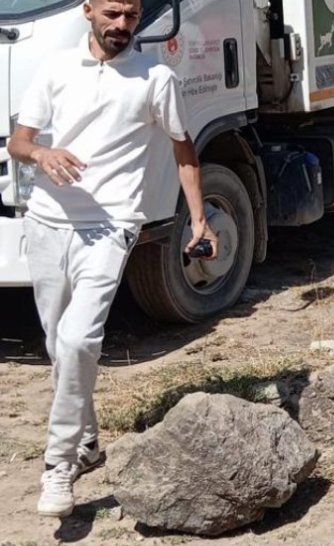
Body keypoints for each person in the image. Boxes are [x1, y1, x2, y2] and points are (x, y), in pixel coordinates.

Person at [7, 0, 216, 517]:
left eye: (131, 15)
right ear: (88, 12)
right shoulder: (55, 67)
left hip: (111, 225)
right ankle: (88, 441)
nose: (123, 25)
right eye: (112, 14)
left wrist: (199, 219)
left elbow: (183, 149)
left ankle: (58, 466)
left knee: (80, 338)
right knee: (61, 344)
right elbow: (18, 141)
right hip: (47, 222)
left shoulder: (155, 78)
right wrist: (42, 154)